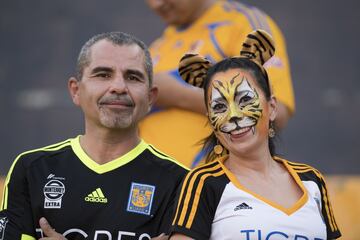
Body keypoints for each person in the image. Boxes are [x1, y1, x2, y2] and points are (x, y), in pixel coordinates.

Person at [0, 32, 187, 240]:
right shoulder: (32, 169)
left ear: (151, 98)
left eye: (133, 77)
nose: (118, 87)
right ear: (75, 91)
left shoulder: (181, 182)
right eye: (103, 75)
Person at [169, 30, 341, 239]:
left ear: (272, 107)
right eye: (220, 106)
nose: (233, 115)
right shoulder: (203, 182)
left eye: (245, 100)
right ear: (210, 119)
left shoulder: (312, 180)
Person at [141, 0, 295, 168]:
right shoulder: (157, 47)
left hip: (210, 185)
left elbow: (276, 112)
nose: (156, 4)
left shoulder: (242, 24)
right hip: (151, 184)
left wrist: (178, 96)